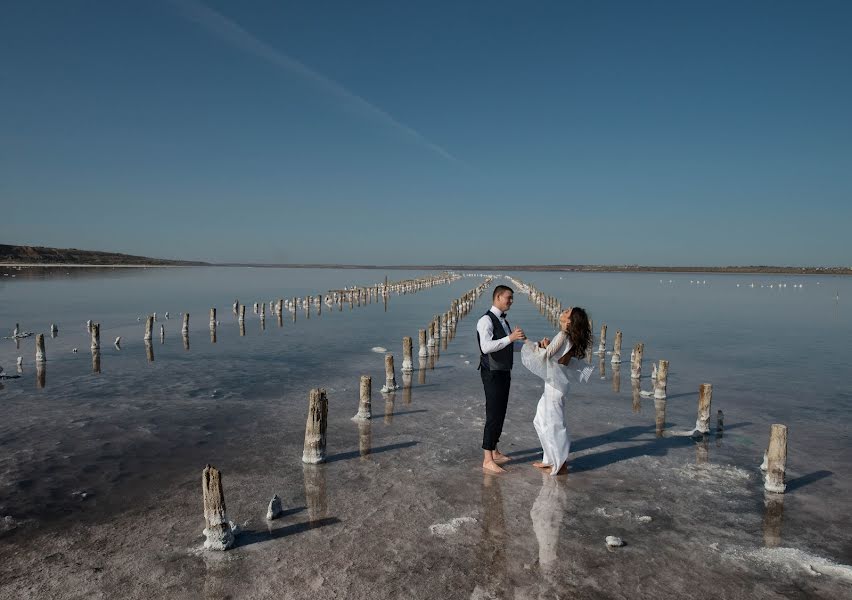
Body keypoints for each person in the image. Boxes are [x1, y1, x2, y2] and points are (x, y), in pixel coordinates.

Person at [521, 306, 592, 475]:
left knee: (554, 425)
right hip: (555, 385)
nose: (564, 310)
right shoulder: (569, 337)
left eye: (568, 312)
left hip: (554, 388)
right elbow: (558, 358)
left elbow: (544, 356)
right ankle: (550, 459)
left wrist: (527, 342)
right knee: (540, 421)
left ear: (569, 321)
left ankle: (560, 463)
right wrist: (547, 346)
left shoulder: (563, 335)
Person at [477, 284, 526, 473]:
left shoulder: (503, 321)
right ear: (498, 297)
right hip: (492, 373)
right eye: (509, 298)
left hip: (504, 371)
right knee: (493, 413)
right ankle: (487, 458)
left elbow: (508, 346)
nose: (511, 301)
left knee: (501, 412)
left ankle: (495, 450)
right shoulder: (485, 321)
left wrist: (536, 346)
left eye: (512, 298)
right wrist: (510, 338)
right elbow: (486, 347)